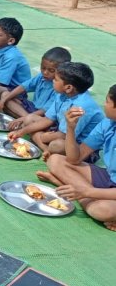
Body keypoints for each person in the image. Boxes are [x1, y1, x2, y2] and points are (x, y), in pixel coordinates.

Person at [38, 84, 116, 231]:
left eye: (107, 101)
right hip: (110, 178)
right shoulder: (108, 124)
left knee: (101, 210)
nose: (104, 105)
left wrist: (86, 192)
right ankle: (77, 191)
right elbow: (74, 159)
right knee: (55, 160)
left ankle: (66, 186)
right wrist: (70, 128)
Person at [8, 62, 105, 156]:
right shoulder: (62, 94)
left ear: (68, 88)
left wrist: (43, 137)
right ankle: (45, 149)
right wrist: (20, 132)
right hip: (61, 131)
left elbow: (65, 135)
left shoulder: (81, 107)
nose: (52, 81)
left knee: (56, 145)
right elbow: (48, 120)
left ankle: (41, 143)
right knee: (30, 119)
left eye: (55, 79)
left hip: (80, 144)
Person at [0, 47, 71, 127]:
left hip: (43, 115)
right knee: (5, 95)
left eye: (51, 70)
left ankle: (25, 120)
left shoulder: (59, 88)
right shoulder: (41, 76)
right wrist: (3, 100)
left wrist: (27, 118)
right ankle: (25, 119)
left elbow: (45, 111)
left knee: (11, 108)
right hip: (32, 107)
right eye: (43, 68)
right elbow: (23, 87)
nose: (45, 72)